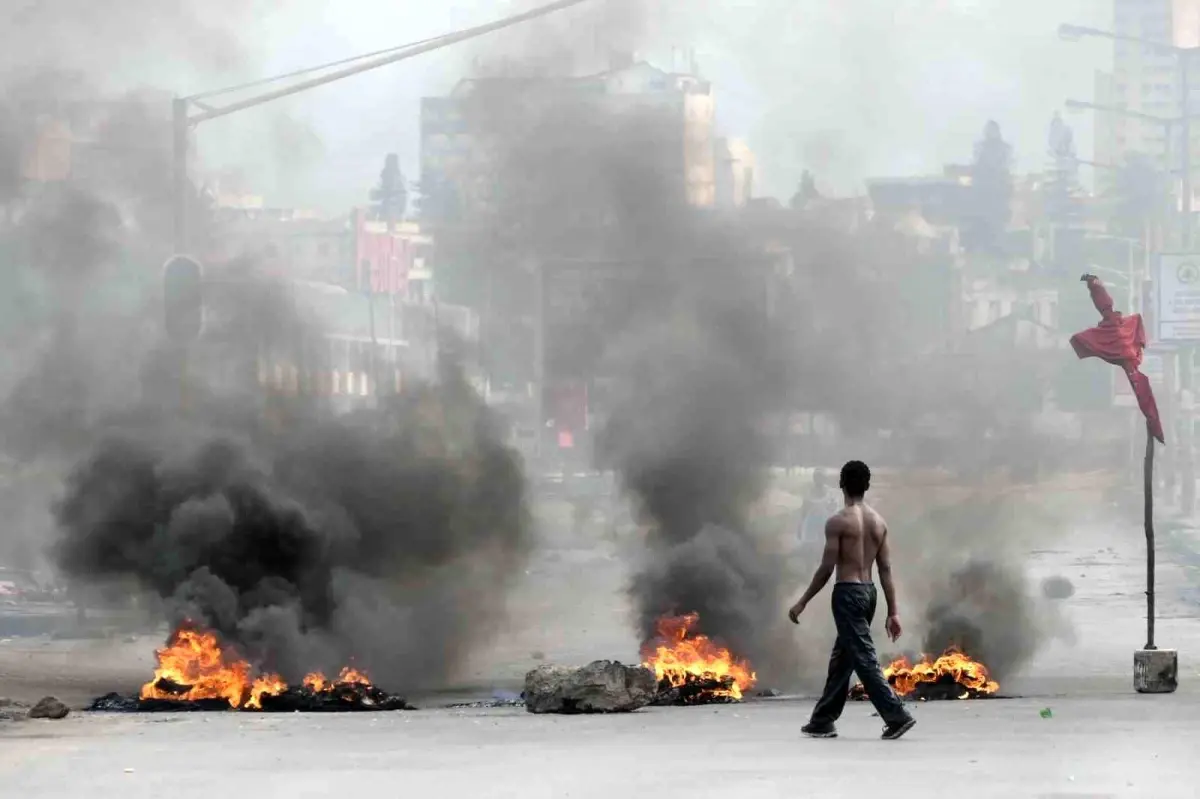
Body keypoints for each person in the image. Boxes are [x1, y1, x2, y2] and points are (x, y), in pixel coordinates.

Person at [788, 460, 915, 740]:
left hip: (847, 593)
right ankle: (822, 719)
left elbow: (826, 569)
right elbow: (885, 570)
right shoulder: (879, 523)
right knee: (844, 657)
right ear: (867, 486)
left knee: (863, 657)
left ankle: (896, 716)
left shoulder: (838, 522)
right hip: (869, 593)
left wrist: (803, 601)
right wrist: (893, 611)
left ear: (841, 484)